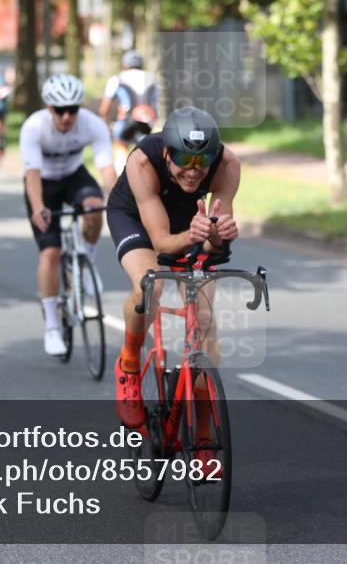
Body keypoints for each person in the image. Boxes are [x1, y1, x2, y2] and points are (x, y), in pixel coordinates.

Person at [105, 106, 240, 471]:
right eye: (184, 159)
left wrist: (219, 237)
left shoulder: (227, 166)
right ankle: (130, 365)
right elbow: (163, 245)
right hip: (137, 217)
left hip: (189, 223)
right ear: (167, 153)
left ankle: (204, 442)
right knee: (150, 286)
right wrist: (195, 237)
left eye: (202, 160)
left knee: (206, 320)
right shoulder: (142, 164)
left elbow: (212, 244)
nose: (194, 169)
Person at [20, 74, 117, 356]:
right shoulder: (34, 127)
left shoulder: (93, 124)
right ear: (49, 108)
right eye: (59, 110)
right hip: (43, 184)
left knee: (95, 206)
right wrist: (38, 207)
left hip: (74, 175)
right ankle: (51, 325)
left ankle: (86, 263)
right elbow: (32, 175)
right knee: (50, 254)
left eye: (72, 109)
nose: (66, 117)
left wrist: (119, 198)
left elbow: (107, 169)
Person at [99, 50, 159, 149]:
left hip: (127, 120)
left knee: (121, 144)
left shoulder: (118, 79)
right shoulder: (151, 78)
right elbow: (155, 103)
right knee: (145, 150)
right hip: (147, 120)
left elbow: (105, 107)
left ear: (124, 64)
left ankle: (122, 162)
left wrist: (106, 122)